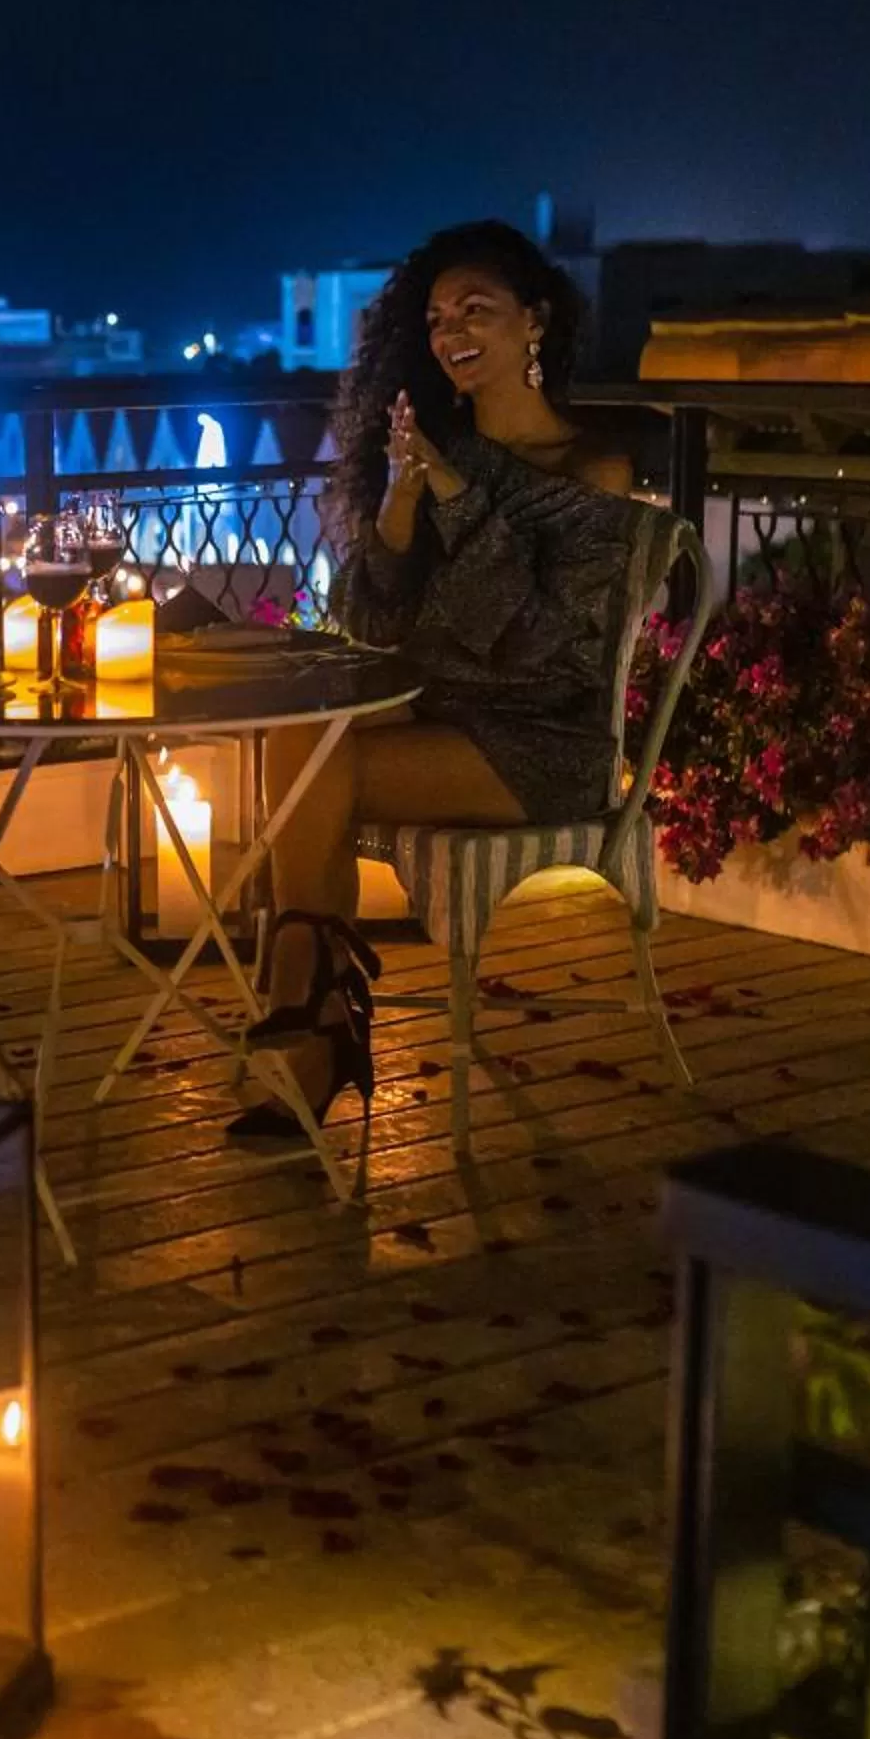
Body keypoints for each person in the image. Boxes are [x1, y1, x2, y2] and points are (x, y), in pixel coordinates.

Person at [234, 221, 641, 1136]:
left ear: (533, 322)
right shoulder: (438, 453)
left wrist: (455, 498)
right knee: (301, 726)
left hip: (545, 743)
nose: (451, 329)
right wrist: (400, 505)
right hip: (440, 716)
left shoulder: (592, 466)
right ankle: (314, 1007)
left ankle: (308, 1009)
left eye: (476, 309)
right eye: (436, 315)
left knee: (312, 767)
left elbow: (541, 646)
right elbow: (373, 628)